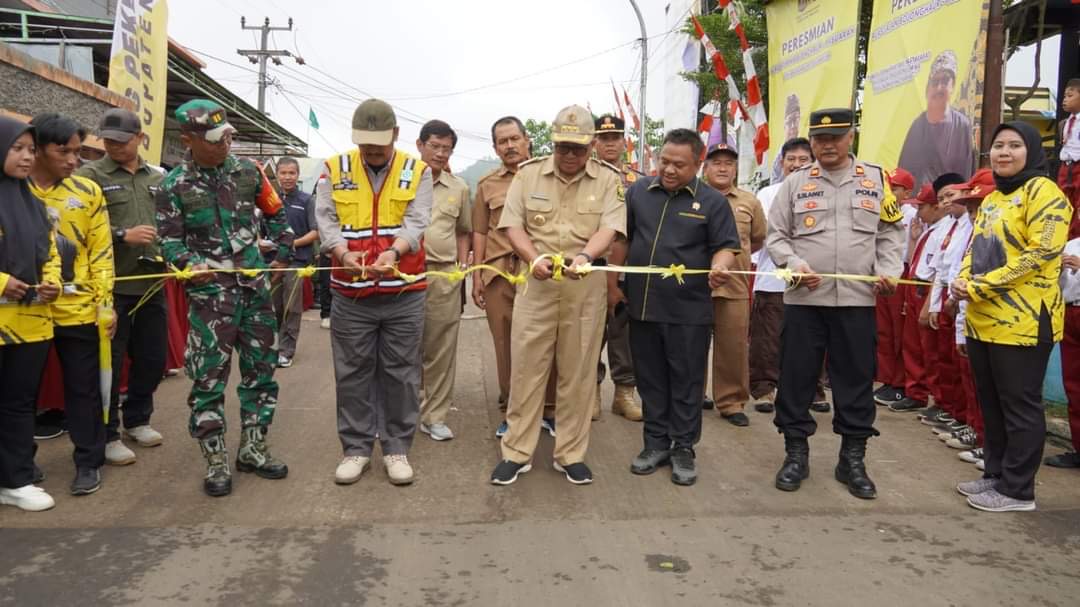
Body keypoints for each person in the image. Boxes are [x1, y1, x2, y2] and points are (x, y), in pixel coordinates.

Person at [765, 108, 905, 499]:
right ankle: (796, 454)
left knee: (856, 379)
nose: (827, 145)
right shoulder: (794, 184)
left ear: (851, 138)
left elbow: (891, 233)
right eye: (820, 139)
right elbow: (776, 237)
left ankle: (853, 459)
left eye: (836, 137)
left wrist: (889, 269)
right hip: (805, 298)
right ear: (811, 141)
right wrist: (793, 264)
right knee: (796, 378)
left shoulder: (876, 180)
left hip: (858, 302)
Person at [156, 100, 294, 497]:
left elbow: (276, 214)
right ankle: (214, 457)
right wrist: (188, 263)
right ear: (189, 139)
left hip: (254, 292)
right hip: (210, 299)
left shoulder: (248, 172)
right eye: (216, 141)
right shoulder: (173, 185)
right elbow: (169, 241)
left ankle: (253, 447)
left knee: (261, 372)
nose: (225, 145)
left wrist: (280, 253)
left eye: (228, 137)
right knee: (208, 379)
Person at [490, 105, 624, 486]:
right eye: (563, 147)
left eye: (578, 148)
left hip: (585, 288)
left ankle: (570, 454)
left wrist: (586, 256)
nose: (569, 155)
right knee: (527, 371)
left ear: (593, 144)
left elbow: (610, 227)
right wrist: (532, 259)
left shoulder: (607, 179)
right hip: (537, 285)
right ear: (552, 143)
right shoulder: (529, 174)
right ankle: (517, 452)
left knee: (578, 373)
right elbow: (512, 225)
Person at [951, 121, 1073, 512]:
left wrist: (982, 285)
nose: (1004, 152)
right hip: (983, 318)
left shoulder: (1046, 193)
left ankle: (1018, 490)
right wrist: (964, 278)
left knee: (1019, 406)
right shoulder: (993, 199)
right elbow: (977, 247)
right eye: (998, 145)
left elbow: (1041, 255)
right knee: (992, 403)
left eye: (1014, 145)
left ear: (1032, 151)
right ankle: (995, 474)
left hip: (1023, 322)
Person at [614, 128, 739, 485]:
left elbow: (727, 246)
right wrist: (615, 286)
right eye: (664, 161)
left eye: (679, 165)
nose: (668, 170)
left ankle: (683, 447)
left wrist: (720, 266)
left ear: (697, 164)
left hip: (689, 310)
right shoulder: (639, 192)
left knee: (686, 382)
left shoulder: (712, 202)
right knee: (651, 381)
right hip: (644, 306)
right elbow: (624, 239)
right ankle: (654, 444)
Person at [316, 99, 431, 486]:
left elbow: (417, 221)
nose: (372, 151)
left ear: (396, 135)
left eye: (380, 144)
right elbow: (326, 220)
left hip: (404, 293)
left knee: (402, 374)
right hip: (350, 294)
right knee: (352, 373)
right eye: (365, 144)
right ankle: (356, 449)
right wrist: (342, 253)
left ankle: (397, 447)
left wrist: (394, 251)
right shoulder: (334, 169)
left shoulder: (417, 171)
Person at [28, 113, 115, 497]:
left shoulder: (87, 193)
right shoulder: (15, 191)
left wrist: (105, 305)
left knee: (83, 389)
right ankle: (20, 462)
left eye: (78, 152)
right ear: (38, 149)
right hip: (23, 311)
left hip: (78, 309)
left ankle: (88, 461)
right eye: (63, 151)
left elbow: (101, 251)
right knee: (20, 392)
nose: (72, 160)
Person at [75, 108, 166, 467]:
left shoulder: (158, 177)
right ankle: (108, 433)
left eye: (120, 141)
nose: (112, 146)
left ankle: (139, 419)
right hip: (110, 288)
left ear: (140, 138)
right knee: (108, 363)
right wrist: (120, 236)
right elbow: (76, 228)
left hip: (153, 283)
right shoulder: (90, 176)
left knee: (152, 359)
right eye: (108, 140)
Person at [471, 116, 556, 438]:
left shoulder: (549, 177)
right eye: (502, 141)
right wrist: (478, 275)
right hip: (500, 275)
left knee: (547, 342)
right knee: (506, 346)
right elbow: (480, 231)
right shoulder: (487, 184)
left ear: (527, 140)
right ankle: (512, 411)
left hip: (542, 274)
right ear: (495, 147)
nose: (509, 146)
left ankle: (548, 411)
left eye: (514, 139)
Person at [0, 117, 62, 512]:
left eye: (30, 149)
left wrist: (53, 281)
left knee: (19, 403)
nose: (26, 157)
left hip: (31, 323)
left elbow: (50, 252)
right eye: (16, 149)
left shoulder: (35, 204)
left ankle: (16, 479)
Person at [702, 137, 766, 427]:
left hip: (735, 284)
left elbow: (757, 239)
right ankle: (693, 394)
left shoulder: (749, 201)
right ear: (705, 167)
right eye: (717, 162)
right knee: (691, 344)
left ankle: (730, 401)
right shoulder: (693, 196)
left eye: (729, 163)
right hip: (695, 286)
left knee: (733, 346)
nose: (723, 168)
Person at [750, 137, 814, 414]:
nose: (797, 165)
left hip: (812, 282)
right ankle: (764, 388)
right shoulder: (768, 194)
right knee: (768, 338)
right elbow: (766, 235)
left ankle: (810, 390)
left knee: (807, 340)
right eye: (792, 159)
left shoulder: (820, 193)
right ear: (782, 163)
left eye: (804, 160)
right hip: (773, 279)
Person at [416, 119, 471, 441]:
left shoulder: (459, 188)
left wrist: (461, 265)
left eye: (446, 148)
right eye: (434, 146)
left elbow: (463, 230)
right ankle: (402, 412)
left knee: (440, 349)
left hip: (444, 275)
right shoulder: (402, 182)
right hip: (402, 276)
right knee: (402, 348)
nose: (439, 153)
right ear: (420, 145)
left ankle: (434, 416)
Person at [887, 179, 954, 413]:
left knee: (932, 351)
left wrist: (929, 303)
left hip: (929, 289)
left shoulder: (946, 230)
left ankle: (934, 397)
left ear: (935, 207)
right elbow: (919, 261)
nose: (918, 211)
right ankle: (915, 391)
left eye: (922, 207)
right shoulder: (930, 229)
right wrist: (914, 238)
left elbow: (938, 271)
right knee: (913, 346)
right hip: (916, 286)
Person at [594, 113, 641, 422]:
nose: (610, 144)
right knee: (590, 334)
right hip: (593, 267)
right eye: (604, 138)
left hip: (630, 271)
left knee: (624, 335)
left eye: (615, 138)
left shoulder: (640, 180)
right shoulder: (586, 176)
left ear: (624, 142)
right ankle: (591, 392)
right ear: (594, 142)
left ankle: (624, 393)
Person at [897, 50, 976, 189]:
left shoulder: (962, 125)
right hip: (921, 203)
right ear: (928, 88)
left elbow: (967, 172)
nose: (939, 87)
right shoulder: (917, 126)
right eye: (935, 82)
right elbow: (904, 174)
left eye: (945, 81)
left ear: (953, 86)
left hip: (952, 201)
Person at [872, 167, 916, 407]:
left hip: (902, 276)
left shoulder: (910, 214)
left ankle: (900, 382)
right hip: (879, 275)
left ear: (907, 192)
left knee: (901, 335)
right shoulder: (882, 207)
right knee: (884, 332)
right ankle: (887, 380)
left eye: (895, 188)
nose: (890, 191)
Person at [268, 156, 317, 369]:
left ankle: (287, 351)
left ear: (298, 176)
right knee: (273, 307)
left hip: (296, 262)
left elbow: (315, 232)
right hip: (271, 262)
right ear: (277, 175)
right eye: (283, 173)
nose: (287, 177)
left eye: (291, 173)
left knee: (291, 307)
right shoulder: (269, 200)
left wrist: (290, 245)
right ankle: (273, 347)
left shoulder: (307, 200)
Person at [1046, 209, 1080, 468]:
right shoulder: (1071, 244)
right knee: (1073, 383)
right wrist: (1056, 267)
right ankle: (1078, 447)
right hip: (1069, 311)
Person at [1057, 78, 1080, 214]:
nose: (1065, 99)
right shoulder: (1064, 123)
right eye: (1065, 96)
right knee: (1062, 201)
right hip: (1065, 166)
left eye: (1070, 96)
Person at [771, 94, 802, 185]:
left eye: (795, 120)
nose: (792, 126)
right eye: (789, 122)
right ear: (784, 126)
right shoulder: (779, 158)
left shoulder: (807, 150)